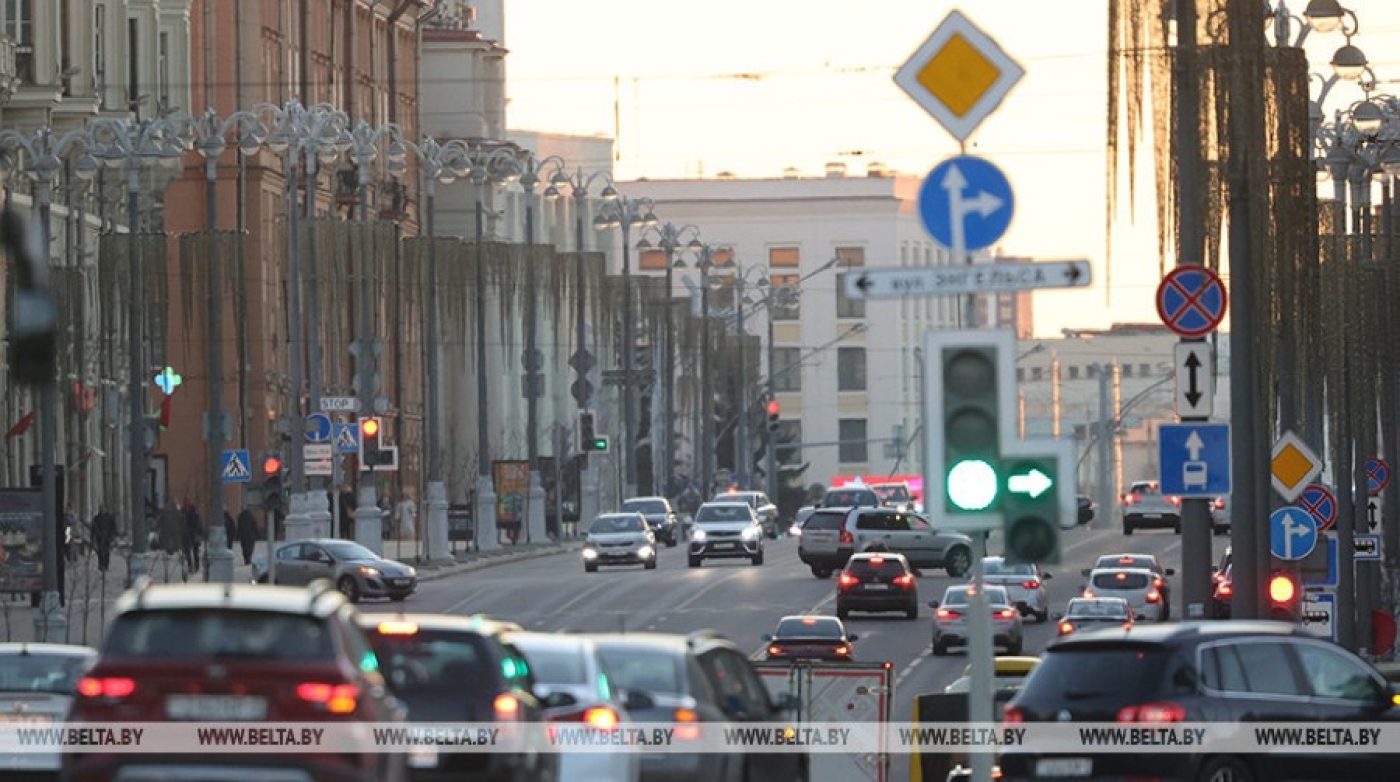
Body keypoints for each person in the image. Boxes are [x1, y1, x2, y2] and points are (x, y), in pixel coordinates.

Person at [180, 497, 204, 573]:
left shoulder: (193, 509)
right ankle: (190, 565)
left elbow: (197, 521)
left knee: (195, 550)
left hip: (193, 533)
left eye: (187, 502)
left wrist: (197, 532)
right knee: (187, 551)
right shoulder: (182, 510)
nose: (186, 503)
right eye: (185, 502)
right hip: (186, 534)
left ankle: (196, 565)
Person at [91, 505, 117, 572]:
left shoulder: (110, 518)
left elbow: (113, 527)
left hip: (107, 537)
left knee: (106, 551)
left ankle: (106, 565)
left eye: (103, 509)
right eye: (101, 509)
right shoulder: (96, 518)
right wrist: (93, 536)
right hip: (99, 537)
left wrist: (113, 535)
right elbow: (93, 528)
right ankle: (100, 564)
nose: (102, 510)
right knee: (99, 551)